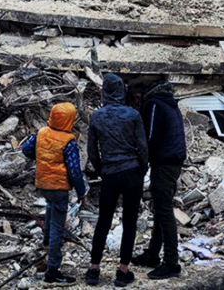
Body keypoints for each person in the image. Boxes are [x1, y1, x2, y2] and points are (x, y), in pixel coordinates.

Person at [84, 74, 148, 287]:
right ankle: (123, 272)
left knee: (103, 221)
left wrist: (102, 168)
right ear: (121, 91)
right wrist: (142, 167)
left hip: (110, 173)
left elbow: (92, 149)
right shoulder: (133, 115)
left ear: (104, 92)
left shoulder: (97, 116)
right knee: (129, 222)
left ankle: (93, 269)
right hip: (132, 172)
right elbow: (142, 146)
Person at [21, 102, 86, 287]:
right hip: (59, 186)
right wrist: (81, 192)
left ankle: (46, 243)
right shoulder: (68, 140)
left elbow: (26, 150)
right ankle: (53, 271)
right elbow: (74, 171)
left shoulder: (41, 132)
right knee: (58, 224)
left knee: (50, 209)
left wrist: (44, 158)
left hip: (43, 183)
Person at [131, 81, 186, 280]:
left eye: (137, 96)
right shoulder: (170, 104)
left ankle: (171, 262)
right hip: (174, 161)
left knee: (164, 210)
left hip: (164, 162)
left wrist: (141, 161)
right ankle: (153, 254)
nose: (137, 100)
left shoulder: (154, 104)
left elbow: (151, 137)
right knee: (161, 208)